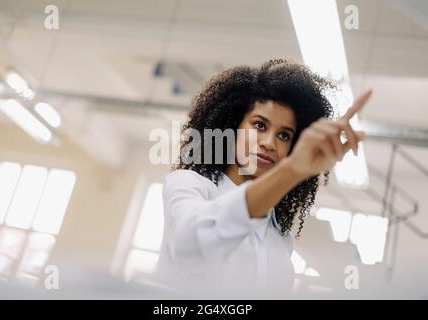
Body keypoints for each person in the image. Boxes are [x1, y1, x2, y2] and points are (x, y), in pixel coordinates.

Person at [152, 59, 372, 297]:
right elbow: (191, 243)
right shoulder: (189, 185)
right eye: (259, 125)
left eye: (285, 136)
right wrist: (291, 170)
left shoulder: (280, 237)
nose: (269, 143)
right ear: (232, 124)